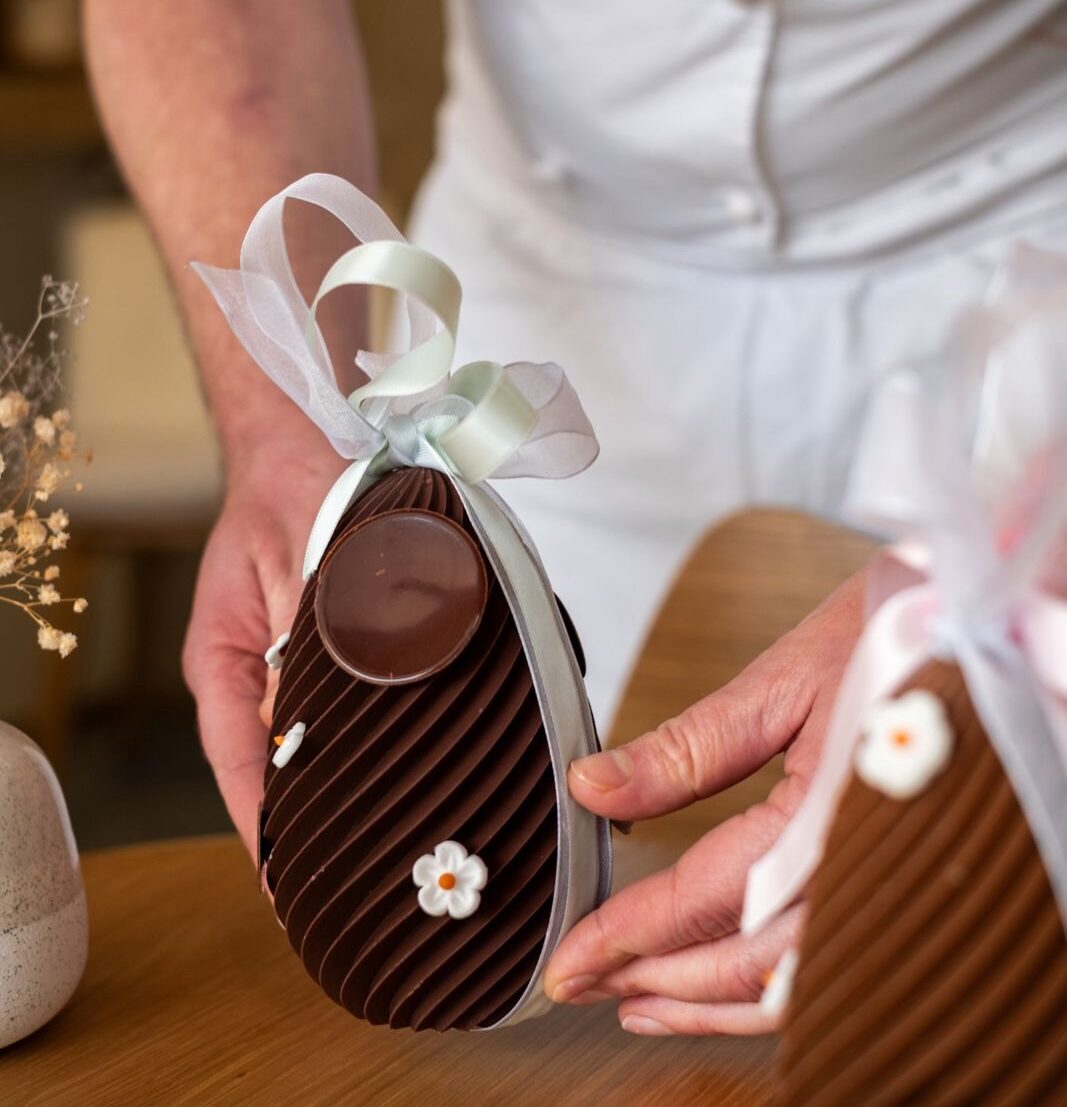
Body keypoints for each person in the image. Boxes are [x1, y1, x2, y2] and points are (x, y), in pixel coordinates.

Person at [84, 1, 1067, 1037]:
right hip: (542, 348)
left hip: (1007, 319)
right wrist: (292, 428)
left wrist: (1018, 585)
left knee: (963, 963)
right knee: (518, 956)